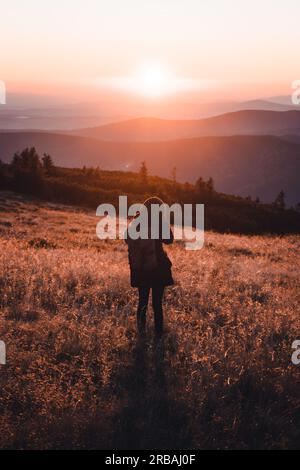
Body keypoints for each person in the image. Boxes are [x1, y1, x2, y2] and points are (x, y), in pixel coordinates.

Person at [125, 197, 174, 336]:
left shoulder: (136, 223)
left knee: (142, 302)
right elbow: (169, 239)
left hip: (141, 268)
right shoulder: (159, 223)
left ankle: (141, 332)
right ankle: (158, 334)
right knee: (157, 303)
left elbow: (127, 239)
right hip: (158, 268)